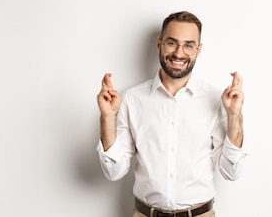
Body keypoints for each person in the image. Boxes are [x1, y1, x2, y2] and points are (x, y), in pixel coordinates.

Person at [96, 11, 248, 217]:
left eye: (188, 45)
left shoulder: (217, 100)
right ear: (159, 44)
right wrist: (107, 117)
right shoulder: (133, 99)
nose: (179, 53)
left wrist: (234, 115)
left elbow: (231, 172)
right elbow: (114, 172)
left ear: (198, 50)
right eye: (172, 43)